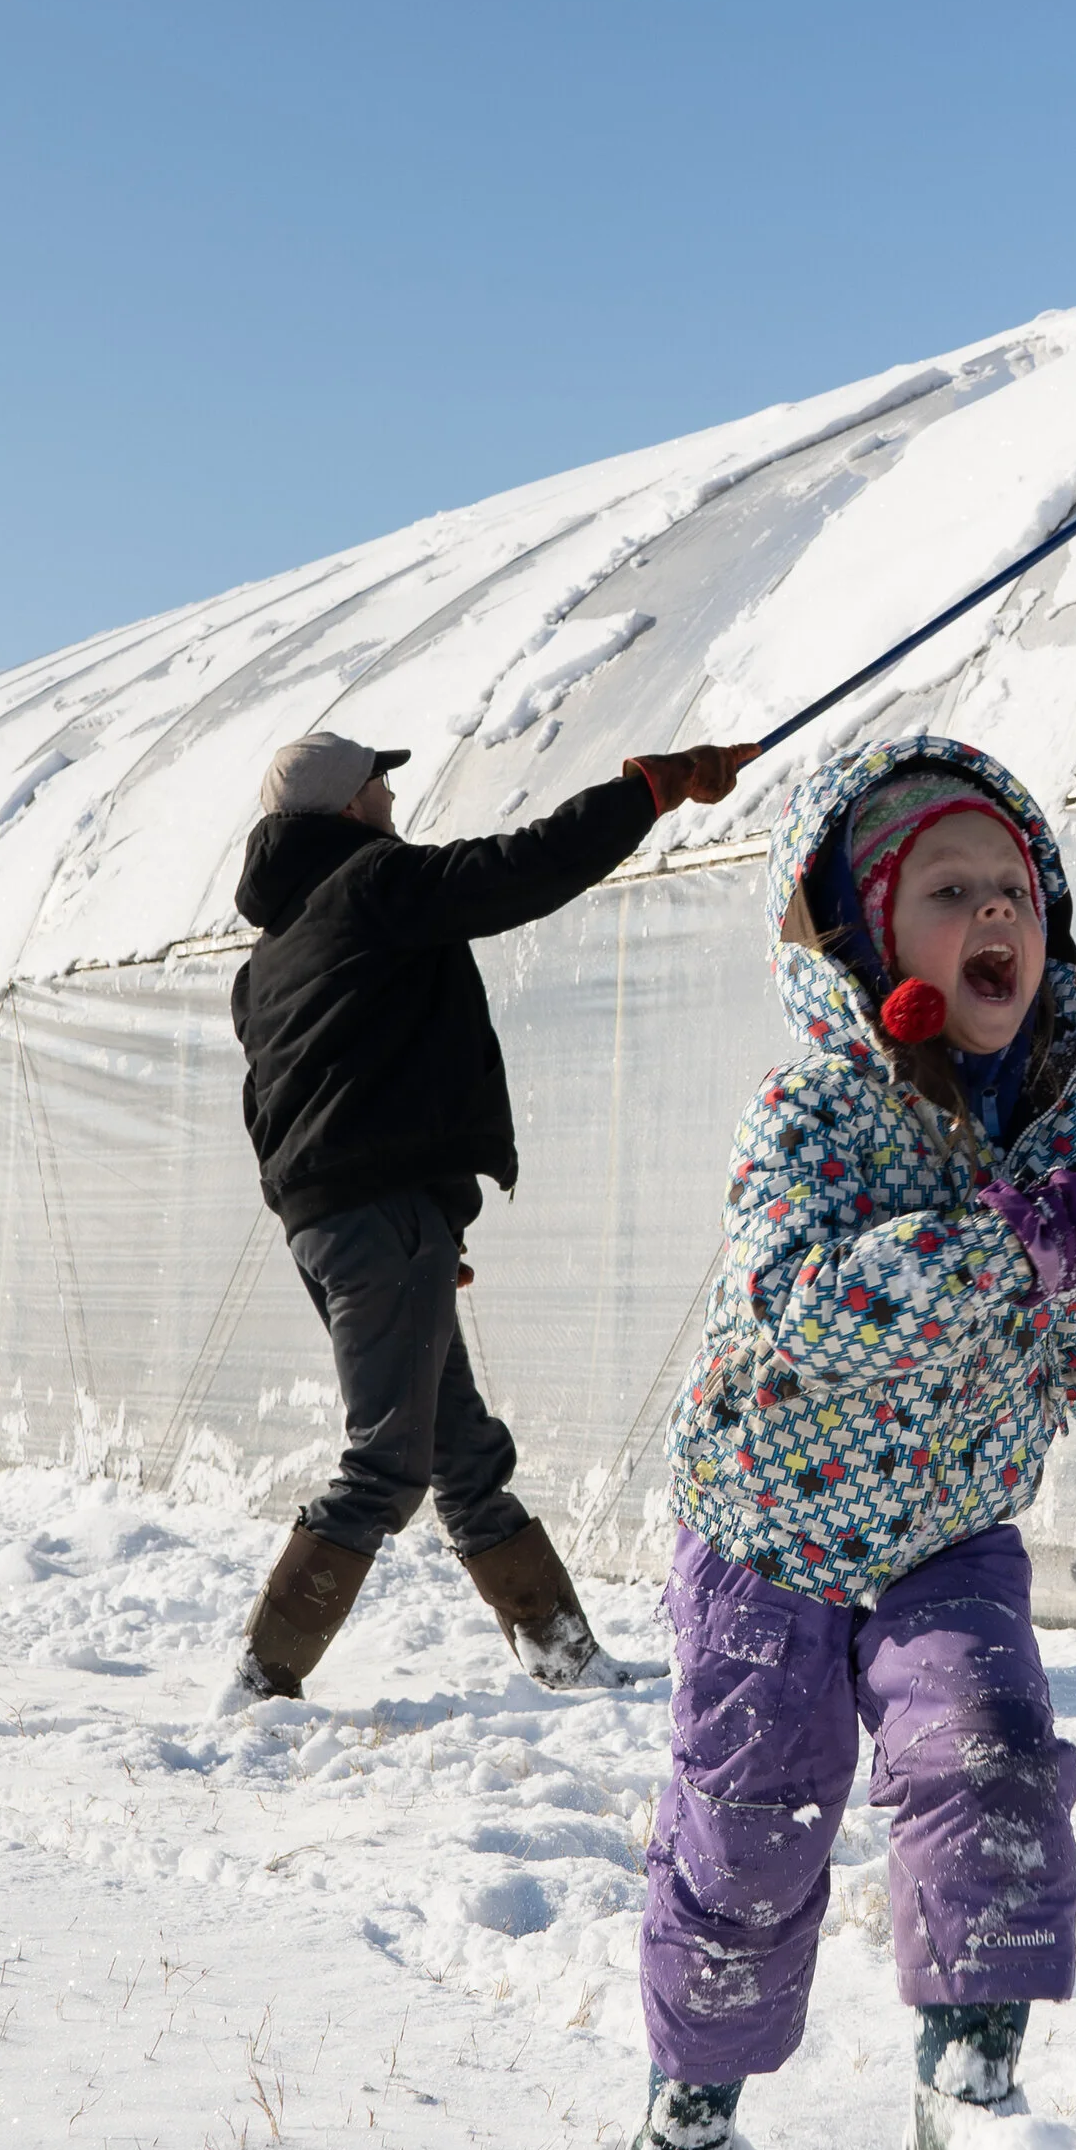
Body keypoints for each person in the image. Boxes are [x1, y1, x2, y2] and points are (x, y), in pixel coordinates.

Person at [606, 732, 1076, 2150]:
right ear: (867, 941)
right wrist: (1022, 1241)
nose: (996, 909)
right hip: (770, 1533)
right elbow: (798, 1306)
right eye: (948, 889)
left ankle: (969, 2098)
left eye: (1017, 887)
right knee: (749, 1829)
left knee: (992, 1761)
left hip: (947, 1533)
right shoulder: (811, 1113)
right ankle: (692, 2111)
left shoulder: (1056, 1129)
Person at [230, 727, 753, 1699]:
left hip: (341, 1223)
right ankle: (263, 1681)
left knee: (461, 1452)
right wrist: (645, 791)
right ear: (346, 805)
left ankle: (564, 1656)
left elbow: (266, 1108)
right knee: (388, 1463)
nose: (390, 796)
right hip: (379, 1219)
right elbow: (518, 870)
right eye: (378, 783)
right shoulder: (372, 885)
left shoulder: (268, 957)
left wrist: (406, 1227)